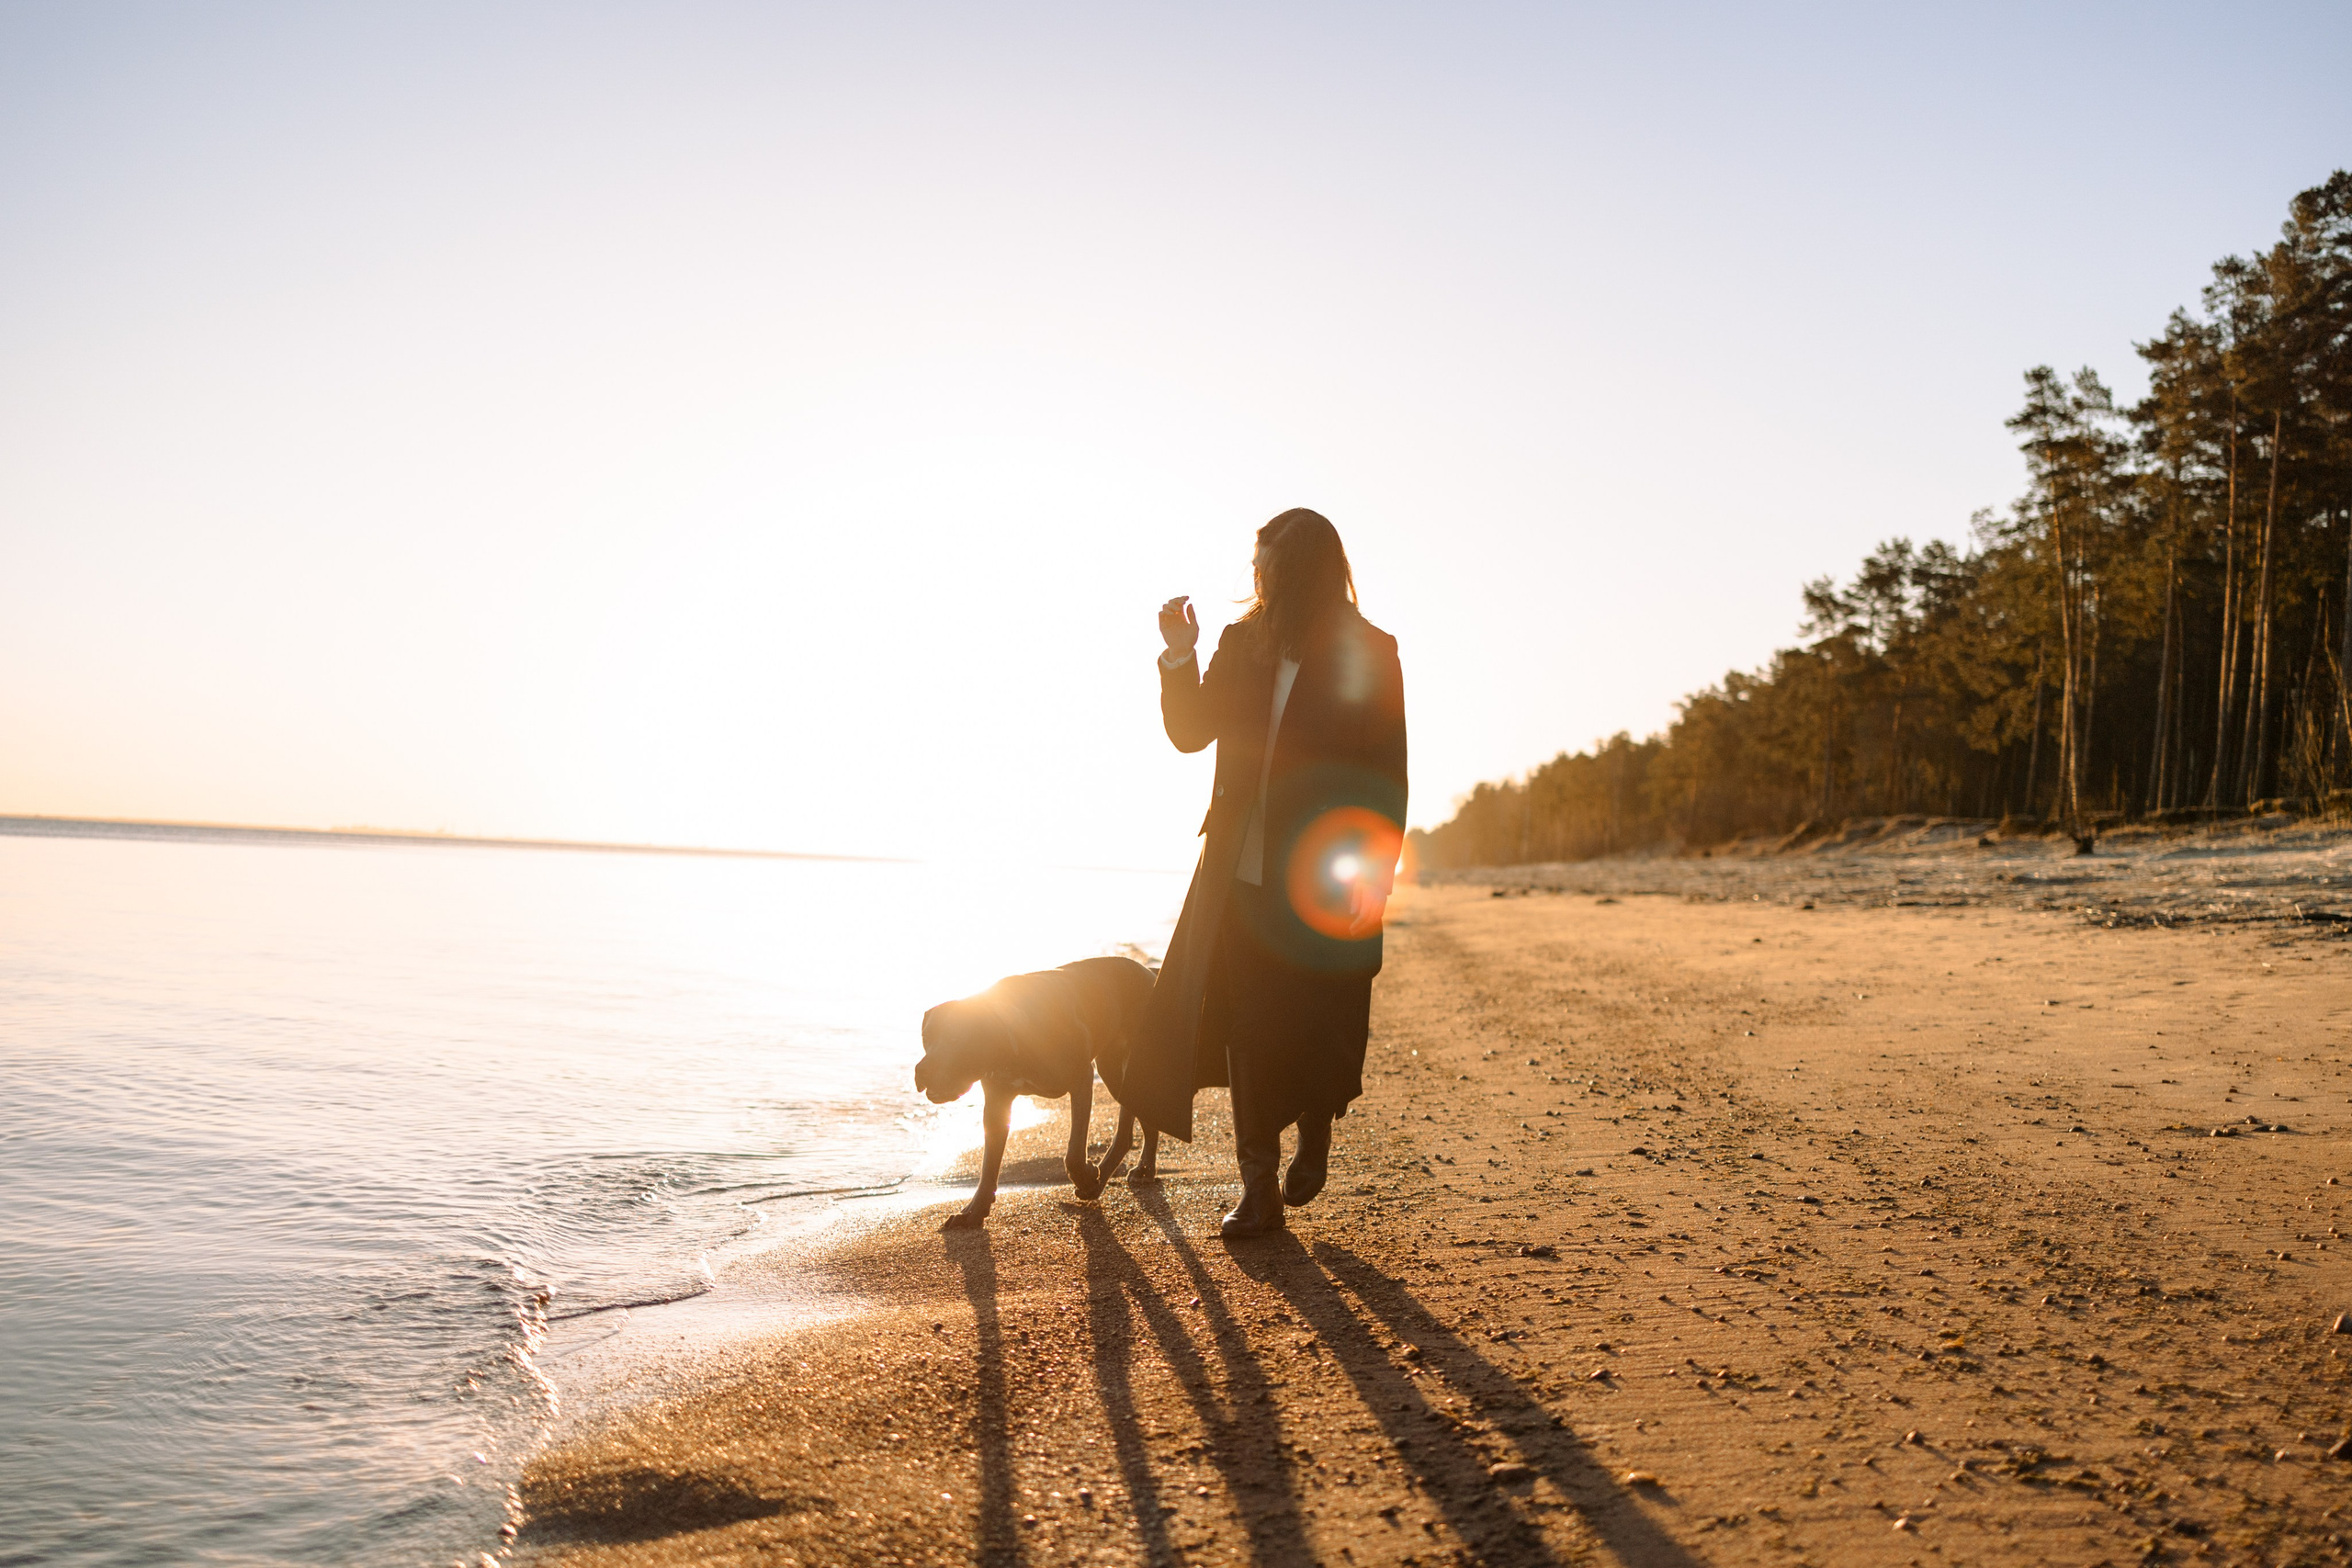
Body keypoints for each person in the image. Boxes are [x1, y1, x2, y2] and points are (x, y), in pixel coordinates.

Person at [1120, 508, 1408, 1238]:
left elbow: (1385, 773)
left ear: (1304, 565)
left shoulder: (1368, 649)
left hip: (1321, 871)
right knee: (1247, 1026)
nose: (1257, 577)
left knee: (1316, 1017)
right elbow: (1191, 733)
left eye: (1269, 563)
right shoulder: (1242, 640)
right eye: (1255, 564)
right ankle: (1258, 1187)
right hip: (1241, 867)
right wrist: (1179, 655)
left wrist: (1373, 875)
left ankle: (1316, 1124)